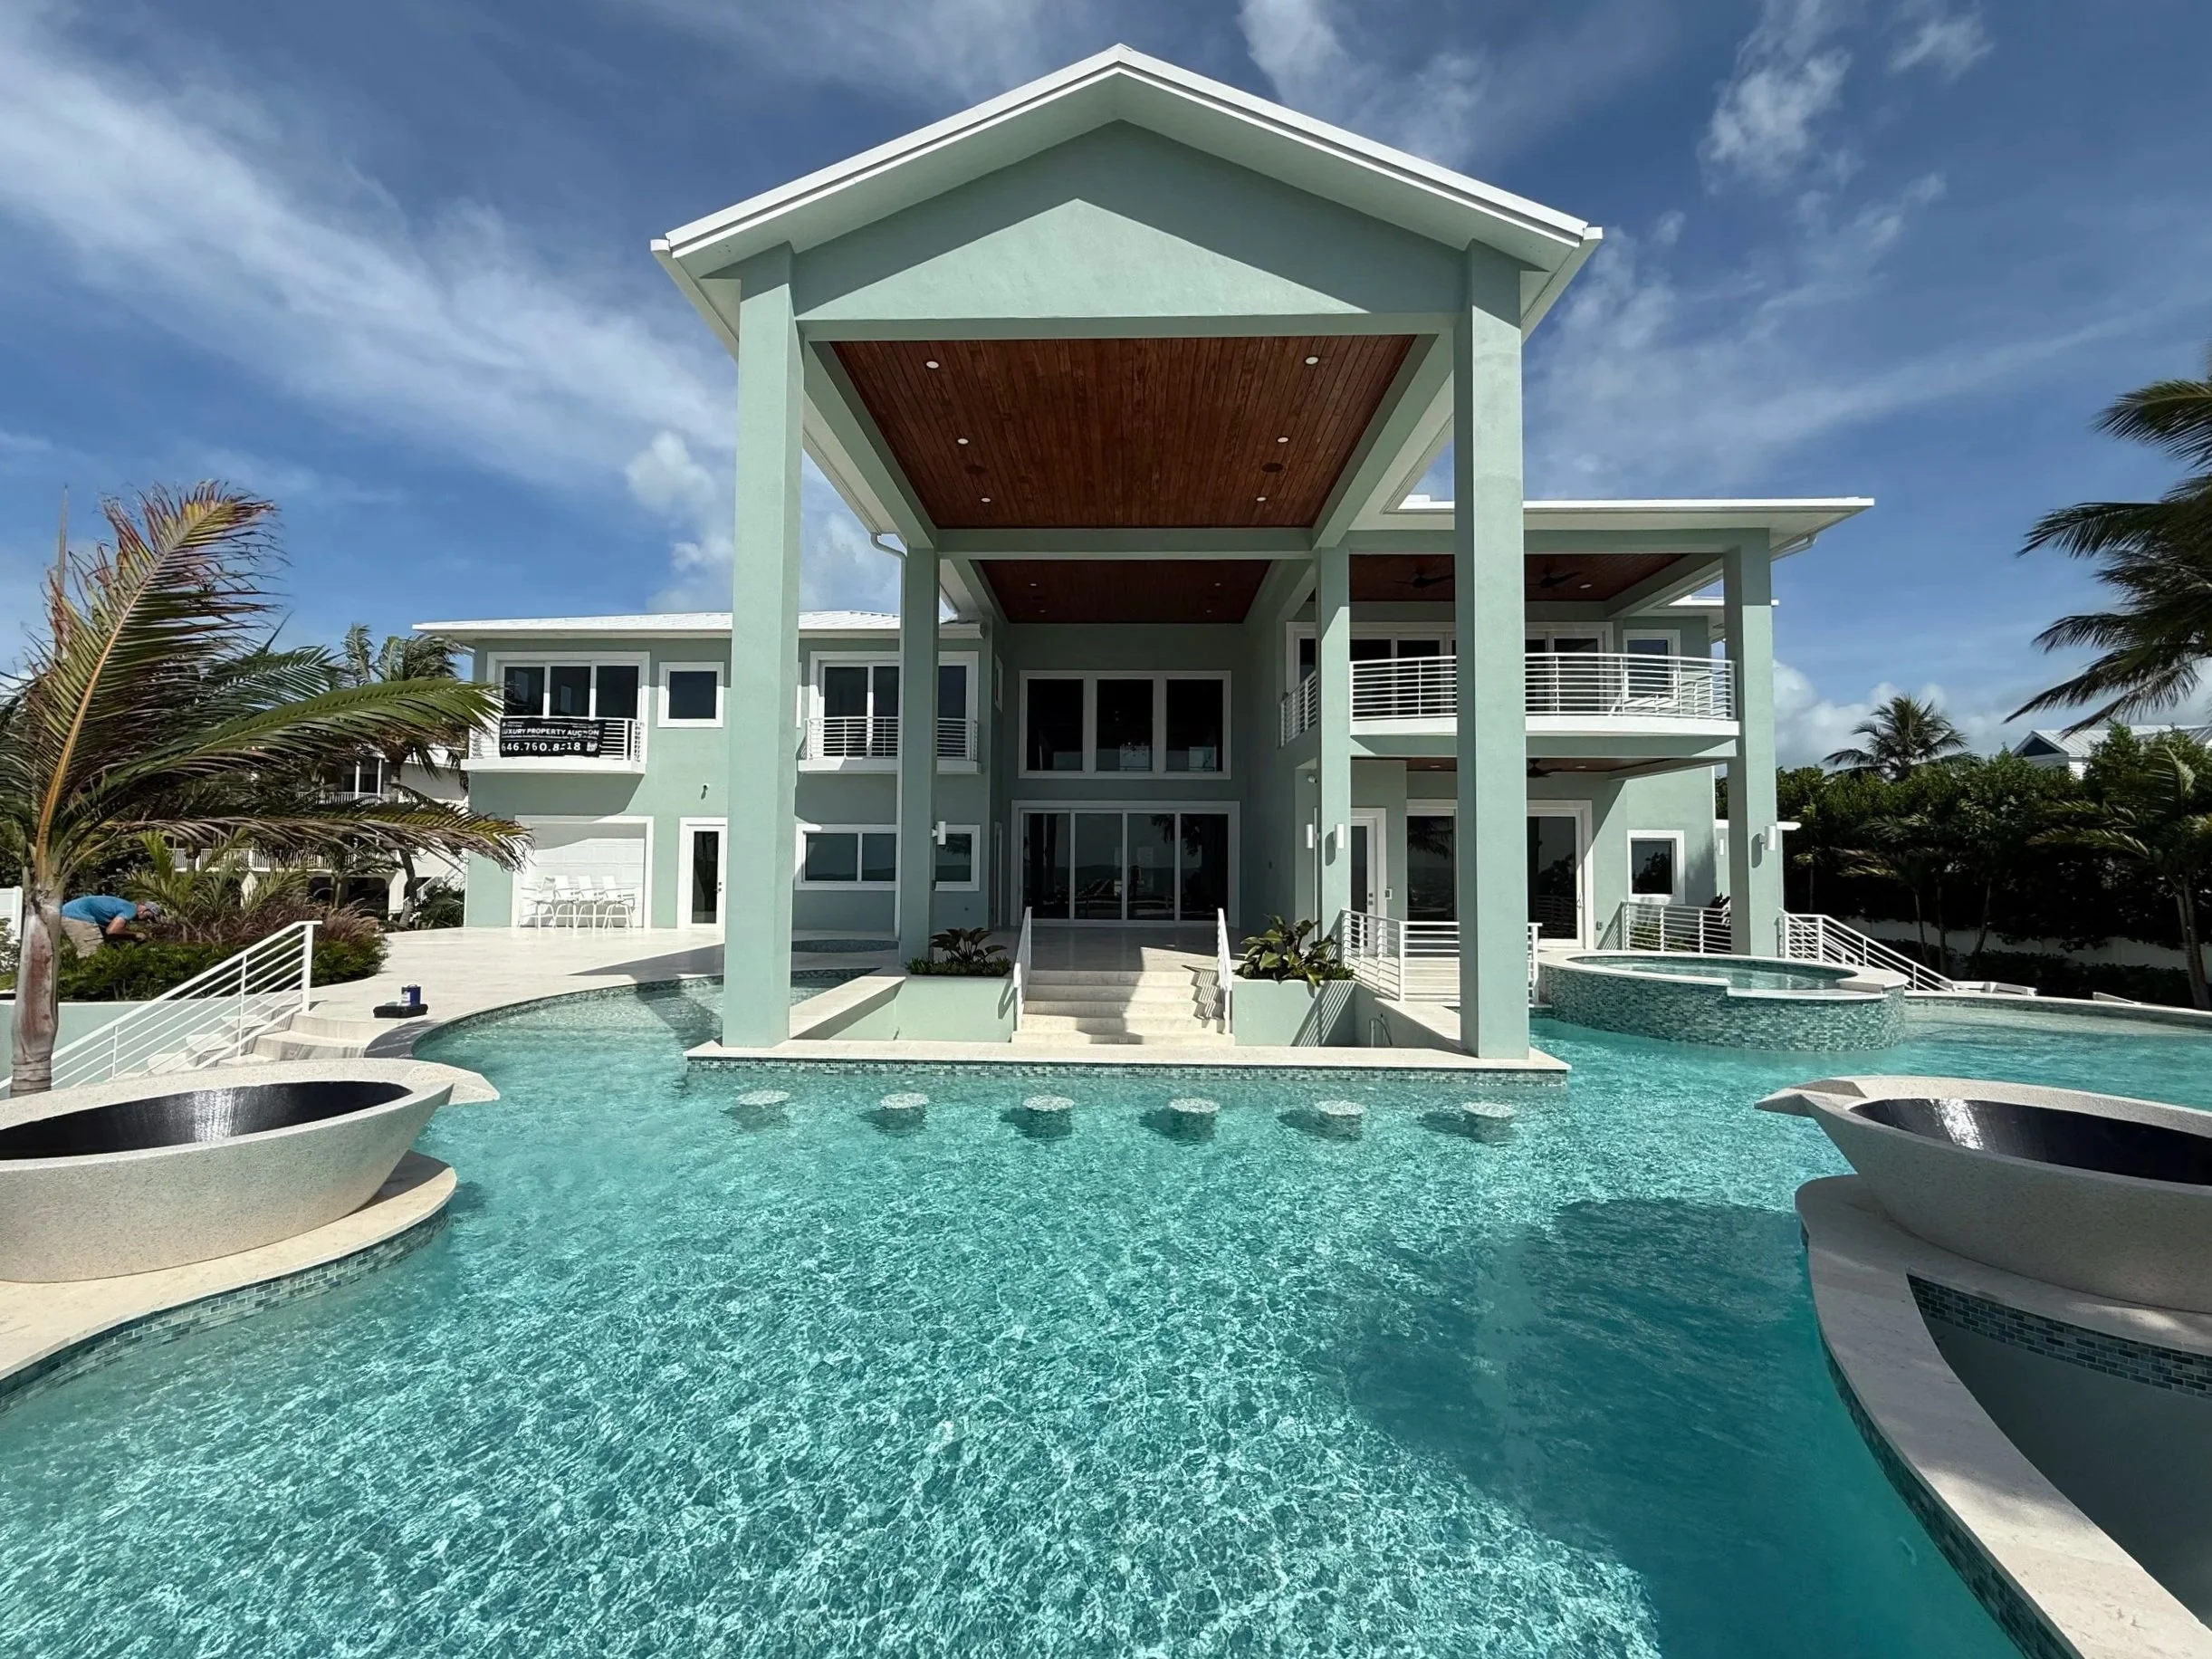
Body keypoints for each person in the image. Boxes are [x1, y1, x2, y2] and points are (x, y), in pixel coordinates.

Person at [58, 895, 158, 958]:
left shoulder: (123, 906)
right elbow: (112, 931)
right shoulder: (131, 909)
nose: (146, 920)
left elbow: (109, 935)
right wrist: (136, 935)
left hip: (66, 913)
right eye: (149, 916)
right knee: (92, 953)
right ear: (143, 909)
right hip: (78, 915)